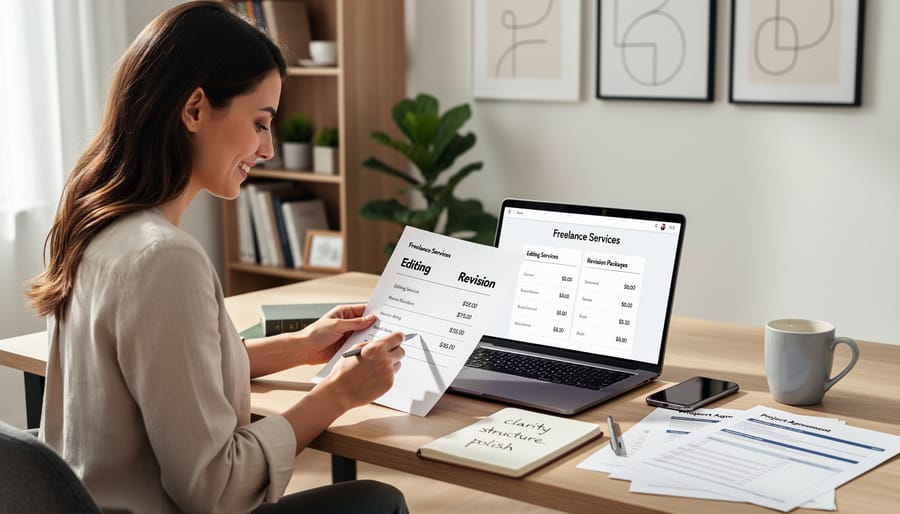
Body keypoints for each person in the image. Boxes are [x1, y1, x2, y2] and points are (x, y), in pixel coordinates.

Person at [26, 2, 408, 513]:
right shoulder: (165, 259)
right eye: (260, 123)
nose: (268, 149)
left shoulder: (92, 222)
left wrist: (300, 347)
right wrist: (338, 394)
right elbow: (214, 486)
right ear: (195, 110)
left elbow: (171, 376)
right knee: (378, 501)